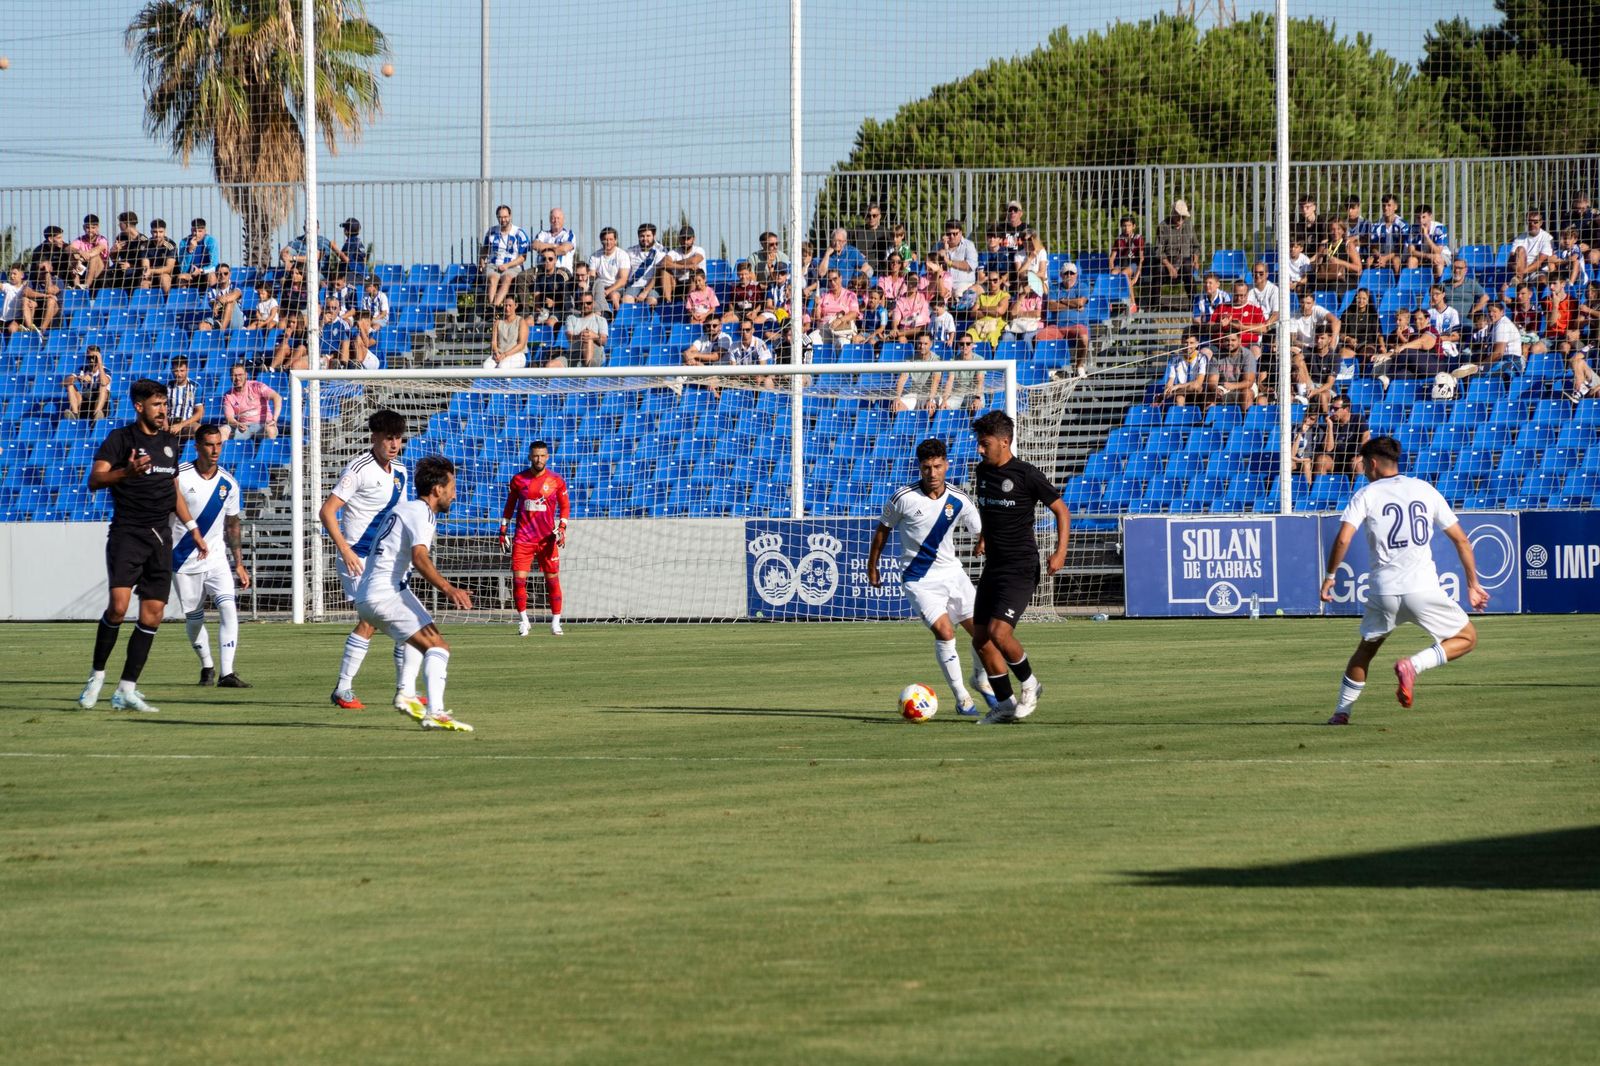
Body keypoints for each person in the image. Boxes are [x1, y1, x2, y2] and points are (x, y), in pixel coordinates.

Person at [1320, 435, 1489, 725]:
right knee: (1467, 638)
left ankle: (1341, 712)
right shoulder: (1424, 489)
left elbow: (1343, 539)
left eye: (1363, 465)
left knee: (1366, 650)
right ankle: (1413, 665)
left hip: (1384, 592)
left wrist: (1330, 576)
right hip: (1423, 588)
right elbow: (1462, 540)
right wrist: (1473, 583)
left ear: (1372, 463)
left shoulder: (1366, 495)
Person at [77, 379, 208, 713]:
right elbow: (95, 479)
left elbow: (173, 489)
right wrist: (126, 473)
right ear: (139, 407)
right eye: (156, 404)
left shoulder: (169, 443)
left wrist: (192, 528)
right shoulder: (120, 439)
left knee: (154, 613)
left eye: (165, 404)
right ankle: (96, 676)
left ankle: (126, 689)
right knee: (118, 608)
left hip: (161, 537)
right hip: (127, 533)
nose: (163, 410)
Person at [867, 437, 998, 717]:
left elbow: (981, 527)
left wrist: (982, 540)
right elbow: (883, 530)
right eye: (927, 468)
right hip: (919, 579)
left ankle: (980, 679)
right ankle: (962, 698)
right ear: (919, 468)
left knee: (983, 634)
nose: (932, 473)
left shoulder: (959, 499)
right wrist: (872, 566)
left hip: (953, 574)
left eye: (937, 466)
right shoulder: (903, 498)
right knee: (945, 631)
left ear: (946, 466)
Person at [354, 455, 474, 731]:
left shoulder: (404, 508)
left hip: (371, 594)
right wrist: (448, 588)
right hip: (386, 593)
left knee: (419, 632)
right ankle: (436, 712)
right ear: (437, 490)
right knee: (438, 647)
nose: (455, 495)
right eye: (452, 487)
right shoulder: (422, 512)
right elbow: (420, 557)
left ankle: (407, 693)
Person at [968, 410, 1069, 725]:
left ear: (1005, 441)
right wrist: (984, 537)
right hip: (994, 566)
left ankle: (1030, 684)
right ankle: (1005, 705)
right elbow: (988, 510)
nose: (980, 450)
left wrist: (1060, 552)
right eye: (979, 444)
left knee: (1000, 633)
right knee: (980, 640)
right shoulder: (982, 473)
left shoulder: (1026, 474)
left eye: (985, 444)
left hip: (1021, 565)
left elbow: (1061, 511)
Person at [322, 409, 414, 712]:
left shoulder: (401, 470)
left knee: (406, 621)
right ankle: (343, 688)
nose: (393, 444)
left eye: (397, 438)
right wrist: (345, 550)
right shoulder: (358, 468)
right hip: (358, 558)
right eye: (388, 438)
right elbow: (327, 511)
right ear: (374, 437)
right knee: (371, 620)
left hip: (387, 561)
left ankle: (405, 691)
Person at [171, 424, 252, 688]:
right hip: (183, 559)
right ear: (197, 446)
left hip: (216, 558)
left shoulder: (228, 483)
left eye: (218, 444)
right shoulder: (179, 476)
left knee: (228, 607)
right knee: (194, 618)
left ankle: (227, 673)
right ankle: (207, 665)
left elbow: (232, 524)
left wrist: (239, 563)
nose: (215, 449)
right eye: (209, 444)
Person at [500, 440, 570, 638]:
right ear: (530, 456)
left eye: (542, 455)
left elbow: (565, 506)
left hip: (547, 539)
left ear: (547, 457)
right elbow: (510, 505)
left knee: (552, 581)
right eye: (535, 455)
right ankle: (524, 621)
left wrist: (562, 527)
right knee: (519, 581)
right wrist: (503, 528)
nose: (539, 459)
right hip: (523, 539)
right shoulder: (519, 479)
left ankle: (556, 623)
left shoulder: (556, 480)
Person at [480, 204, 530, 308]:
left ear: (510, 216)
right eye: (500, 217)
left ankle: (494, 307)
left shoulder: (519, 233)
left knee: (506, 278)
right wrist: (482, 264)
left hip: (512, 267)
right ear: (497, 217)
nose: (503, 220)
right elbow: (485, 248)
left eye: (505, 217)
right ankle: (492, 308)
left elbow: (523, 257)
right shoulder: (492, 231)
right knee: (493, 278)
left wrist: (507, 265)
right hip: (493, 265)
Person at [1153, 200, 1200, 307]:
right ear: (1173, 213)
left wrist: (1195, 259)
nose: (1180, 220)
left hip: (1185, 260)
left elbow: (1196, 246)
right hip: (1168, 260)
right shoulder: (1163, 226)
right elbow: (1158, 251)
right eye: (1178, 216)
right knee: (1158, 270)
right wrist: (1169, 266)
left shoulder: (1188, 225)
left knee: (1188, 267)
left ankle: (1194, 303)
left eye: (1183, 217)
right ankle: (1154, 305)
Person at [1315, 394, 1370, 481]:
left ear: (1346, 409)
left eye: (1336, 409)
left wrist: (1361, 456)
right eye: (1331, 408)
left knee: (1357, 464)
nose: (1332, 411)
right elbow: (1328, 448)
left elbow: (1366, 438)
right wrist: (1329, 426)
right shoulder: (1332, 422)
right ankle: (1320, 489)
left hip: (1353, 457)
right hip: (1336, 459)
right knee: (1321, 460)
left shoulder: (1358, 419)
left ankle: (1359, 490)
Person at [221, 364, 282, 441]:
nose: (237, 378)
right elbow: (229, 418)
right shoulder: (228, 396)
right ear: (230, 377)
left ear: (246, 375)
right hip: (244, 427)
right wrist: (238, 424)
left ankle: (269, 451)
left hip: (264, 424)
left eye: (240, 375)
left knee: (271, 430)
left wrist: (274, 419)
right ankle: (225, 452)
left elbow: (277, 397)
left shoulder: (256, 386)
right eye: (234, 375)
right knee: (223, 430)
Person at [892, 333, 944, 413]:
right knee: (897, 407)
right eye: (920, 343)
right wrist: (897, 398)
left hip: (930, 394)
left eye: (925, 344)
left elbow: (935, 381)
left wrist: (930, 399)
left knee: (929, 409)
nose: (922, 346)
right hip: (914, 394)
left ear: (931, 344)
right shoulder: (910, 360)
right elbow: (902, 380)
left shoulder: (936, 360)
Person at [558, 293, 609, 368]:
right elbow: (569, 337)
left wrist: (593, 336)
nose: (585, 306)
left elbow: (604, 341)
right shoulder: (571, 318)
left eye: (588, 303)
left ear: (593, 303)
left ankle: (586, 375)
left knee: (587, 338)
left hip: (595, 353)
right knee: (550, 365)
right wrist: (579, 336)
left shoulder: (601, 320)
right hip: (573, 354)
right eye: (582, 303)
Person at [1161, 330, 1211, 406]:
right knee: (1179, 398)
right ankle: (1181, 417)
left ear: (1197, 344)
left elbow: (1198, 383)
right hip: (1181, 392)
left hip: (1196, 392)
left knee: (1197, 387)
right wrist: (1169, 388)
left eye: (1191, 343)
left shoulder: (1201, 358)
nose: (1188, 346)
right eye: (1186, 343)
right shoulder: (1175, 359)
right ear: (1182, 342)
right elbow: (1170, 382)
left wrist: (1177, 386)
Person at [622, 223, 668, 304]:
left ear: (654, 236)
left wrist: (645, 292)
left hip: (653, 287)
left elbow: (657, 275)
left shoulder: (660, 251)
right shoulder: (630, 251)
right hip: (634, 286)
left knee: (651, 301)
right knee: (626, 300)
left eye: (648, 236)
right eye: (642, 236)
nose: (645, 238)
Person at [660, 226, 707, 302]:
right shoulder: (674, 252)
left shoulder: (699, 250)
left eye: (688, 238)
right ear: (679, 239)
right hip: (677, 283)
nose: (685, 242)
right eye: (683, 238)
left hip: (694, 283)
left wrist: (672, 264)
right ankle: (667, 303)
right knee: (664, 271)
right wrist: (685, 266)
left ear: (693, 239)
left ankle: (690, 303)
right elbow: (664, 263)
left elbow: (693, 261)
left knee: (694, 272)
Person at [588, 226, 631, 312]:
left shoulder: (622, 255)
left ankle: (617, 320)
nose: (608, 242)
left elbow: (623, 280)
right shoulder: (594, 256)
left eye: (611, 239)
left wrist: (608, 291)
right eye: (605, 239)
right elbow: (592, 276)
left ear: (615, 240)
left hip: (616, 286)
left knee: (614, 296)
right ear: (601, 241)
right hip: (600, 286)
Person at [65, 345, 112, 420]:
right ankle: (75, 414)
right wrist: (77, 378)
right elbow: (65, 382)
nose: (92, 360)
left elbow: (104, 382)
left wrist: (99, 362)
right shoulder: (82, 370)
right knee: (70, 385)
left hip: (101, 405)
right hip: (86, 402)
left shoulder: (106, 371)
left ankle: (96, 415)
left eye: (94, 357)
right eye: (89, 357)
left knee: (103, 388)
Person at [105, 211, 149, 291]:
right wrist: (114, 251)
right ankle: (110, 298)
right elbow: (114, 260)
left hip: (136, 270)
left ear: (126, 224)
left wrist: (130, 266)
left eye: (120, 223)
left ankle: (129, 299)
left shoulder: (143, 241)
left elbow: (145, 266)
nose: (119, 225)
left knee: (129, 273)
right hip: (121, 267)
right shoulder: (120, 237)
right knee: (108, 272)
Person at [483, 297, 530, 370]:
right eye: (505, 305)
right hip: (500, 354)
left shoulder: (521, 321)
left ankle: (506, 381)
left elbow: (521, 345)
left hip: (517, 355)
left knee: (503, 366)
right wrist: (496, 353)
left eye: (510, 305)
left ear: (516, 305)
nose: (507, 308)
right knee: (486, 366)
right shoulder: (498, 322)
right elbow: (494, 342)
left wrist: (505, 354)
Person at [1509, 210, 1554, 282]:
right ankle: (1518, 282)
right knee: (1520, 249)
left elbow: (1539, 262)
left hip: (1538, 270)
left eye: (1535, 222)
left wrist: (1520, 272)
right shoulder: (1519, 238)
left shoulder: (1547, 238)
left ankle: (1518, 281)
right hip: (1520, 269)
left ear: (1541, 223)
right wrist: (1519, 270)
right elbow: (1511, 260)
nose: (1532, 224)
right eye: (1529, 222)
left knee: (1542, 281)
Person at [69, 215, 111, 290]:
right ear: (84, 227)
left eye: (93, 228)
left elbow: (97, 250)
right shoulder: (80, 240)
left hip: (101, 271)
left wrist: (81, 258)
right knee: (73, 256)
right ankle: (77, 285)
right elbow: (68, 248)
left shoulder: (102, 239)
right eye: (88, 228)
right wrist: (80, 252)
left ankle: (86, 285)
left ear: (97, 227)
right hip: (83, 269)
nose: (90, 230)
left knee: (94, 257)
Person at [167, 355, 205, 437]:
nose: (179, 374)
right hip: (169, 423)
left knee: (198, 430)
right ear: (171, 370)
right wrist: (166, 426)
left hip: (187, 424)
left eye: (182, 371)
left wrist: (181, 425)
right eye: (176, 371)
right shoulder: (166, 387)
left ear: (187, 370)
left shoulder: (196, 387)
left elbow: (200, 412)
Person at [175, 218, 219, 288]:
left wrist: (200, 270)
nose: (197, 234)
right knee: (181, 277)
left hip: (205, 273)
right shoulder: (184, 242)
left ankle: (212, 297)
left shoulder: (211, 241)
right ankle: (183, 297)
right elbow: (182, 269)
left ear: (205, 231)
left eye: (200, 231)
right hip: (190, 275)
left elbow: (214, 265)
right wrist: (189, 251)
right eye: (194, 231)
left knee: (212, 276)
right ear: (191, 230)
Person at [197, 263, 242, 330]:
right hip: (219, 318)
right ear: (216, 275)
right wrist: (218, 302)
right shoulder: (212, 289)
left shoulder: (236, 285)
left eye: (225, 273)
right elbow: (213, 305)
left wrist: (219, 301)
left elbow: (233, 296)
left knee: (230, 302)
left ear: (230, 274)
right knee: (202, 326)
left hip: (235, 320)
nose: (222, 276)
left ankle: (221, 332)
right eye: (219, 274)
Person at [532, 208, 576, 272]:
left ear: (563, 220)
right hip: (541, 270)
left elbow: (563, 250)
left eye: (558, 218)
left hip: (562, 271)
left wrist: (544, 248)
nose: (556, 221)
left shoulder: (568, 234)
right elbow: (535, 245)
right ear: (550, 220)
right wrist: (555, 245)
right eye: (553, 218)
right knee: (522, 277)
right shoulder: (542, 234)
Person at [1109, 214, 1145, 293]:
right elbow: (1111, 258)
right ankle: (1114, 300)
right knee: (1113, 273)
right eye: (1124, 226)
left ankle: (1132, 302)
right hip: (1121, 264)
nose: (1126, 228)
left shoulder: (1138, 238)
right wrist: (1112, 269)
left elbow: (1141, 259)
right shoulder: (1119, 239)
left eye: (1129, 225)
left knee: (1124, 274)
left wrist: (1135, 278)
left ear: (1134, 226)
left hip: (1134, 265)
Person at [142, 218, 179, 292]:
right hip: (151, 275)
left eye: (161, 232)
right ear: (151, 232)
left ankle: (167, 301)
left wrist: (151, 271)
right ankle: (146, 303)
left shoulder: (170, 245)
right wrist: (146, 272)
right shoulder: (145, 245)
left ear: (165, 232)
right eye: (155, 232)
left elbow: (169, 269)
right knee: (143, 282)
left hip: (169, 276)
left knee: (164, 278)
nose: (158, 235)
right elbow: (145, 266)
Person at [854, 203, 893, 272]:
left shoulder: (885, 232)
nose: (871, 218)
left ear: (879, 216)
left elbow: (896, 246)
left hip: (879, 268)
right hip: (859, 266)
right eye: (869, 215)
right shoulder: (857, 231)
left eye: (874, 215)